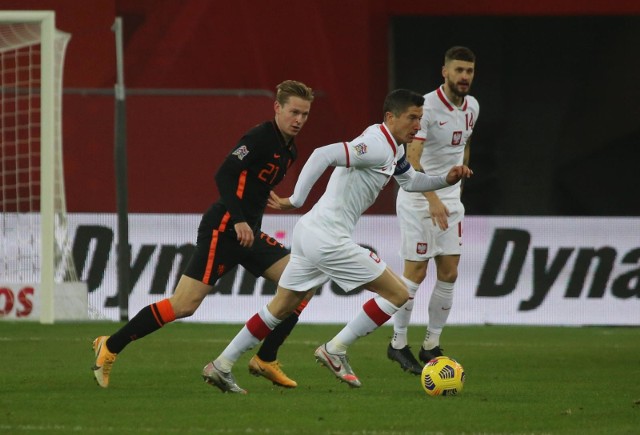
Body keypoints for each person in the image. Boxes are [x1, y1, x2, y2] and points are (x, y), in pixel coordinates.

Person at [201, 89, 473, 393]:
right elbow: (323, 154)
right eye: (412, 118)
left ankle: (221, 365)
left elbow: (411, 182)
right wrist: (296, 198)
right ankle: (336, 348)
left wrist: (445, 180)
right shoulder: (375, 145)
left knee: (281, 306)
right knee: (398, 293)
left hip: (310, 232)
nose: (417, 126)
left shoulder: (393, 149)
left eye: (420, 119)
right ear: (390, 117)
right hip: (328, 237)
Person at [92, 80, 316, 389]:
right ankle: (110, 345)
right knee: (184, 305)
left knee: (303, 284)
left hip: (249, 234)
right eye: (294, 112)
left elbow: (252, 183)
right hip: (225, 229)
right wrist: (238, 220)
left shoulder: (289, 150)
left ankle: (265, 358)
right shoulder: (260, 136)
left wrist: (271, 200)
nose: (299, 120)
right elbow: (224, 173)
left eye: (305, 114)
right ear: (277, 108)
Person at [387, 46, 480, 375]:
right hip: (418, 198)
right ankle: (397, 343)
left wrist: (455, 192)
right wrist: (434, 198)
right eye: (458, 70)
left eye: (469, 71)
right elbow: (412, 159)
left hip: (450, 198)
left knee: (450, 273)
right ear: (445, 72)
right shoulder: (425, 108)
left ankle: (430, 345)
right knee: (415, 275)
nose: (464, 77)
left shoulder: (473, 108)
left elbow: (464, 144)